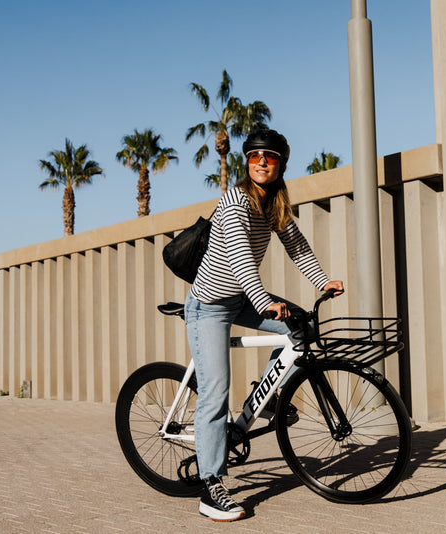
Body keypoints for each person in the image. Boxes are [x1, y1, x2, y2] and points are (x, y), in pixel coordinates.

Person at [184, 129, 344, 522]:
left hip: (241, 299)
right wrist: (265, 303)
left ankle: (269, 396)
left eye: (269, 157)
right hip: (209, 305)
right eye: (255, 155)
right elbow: (239, 257)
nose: (261, 161)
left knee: (301, 327)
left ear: (280, 165)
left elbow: (297, 246)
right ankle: (212, 486)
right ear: (247, 161)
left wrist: (322, 281)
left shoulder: (275, 202)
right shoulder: (236, 199)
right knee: (215, 394)